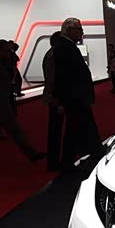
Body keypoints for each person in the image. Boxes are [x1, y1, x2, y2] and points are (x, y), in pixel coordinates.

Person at [0, 39, 45, 169]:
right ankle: (31, 154)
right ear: (0, 50)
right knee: (12, 131)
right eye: (7, 50)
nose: (9, 53)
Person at [54, 18, 102, 170]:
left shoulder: (66, 46)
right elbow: (65, 76)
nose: (82, 32)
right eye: (79, 29)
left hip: (75, 97)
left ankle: (71, 160)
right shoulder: (65, 47)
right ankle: (83, 158)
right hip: (75, 97)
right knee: (78, 128)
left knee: (74, 129)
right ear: (70, 30)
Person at [42, 32, 64, 171]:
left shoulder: (52, 54)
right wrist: (54, 98)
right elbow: (52, 79)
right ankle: (53, 161)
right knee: (55, 129)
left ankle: (54, 160)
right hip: (55, 98)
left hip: (55, 97)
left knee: (55, 129)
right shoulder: (53, 56)